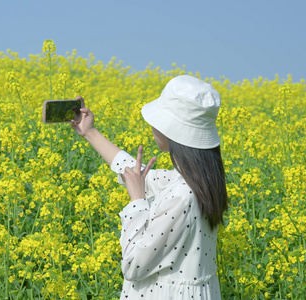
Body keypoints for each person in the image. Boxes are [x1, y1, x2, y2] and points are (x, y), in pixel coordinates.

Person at [71, 75, 228, 299]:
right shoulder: (198, 181)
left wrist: (136, 201)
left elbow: (134, 265)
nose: (152, 124)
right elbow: (135, 172)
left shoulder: (182, 196)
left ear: (173, 130)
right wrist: (89, 132)